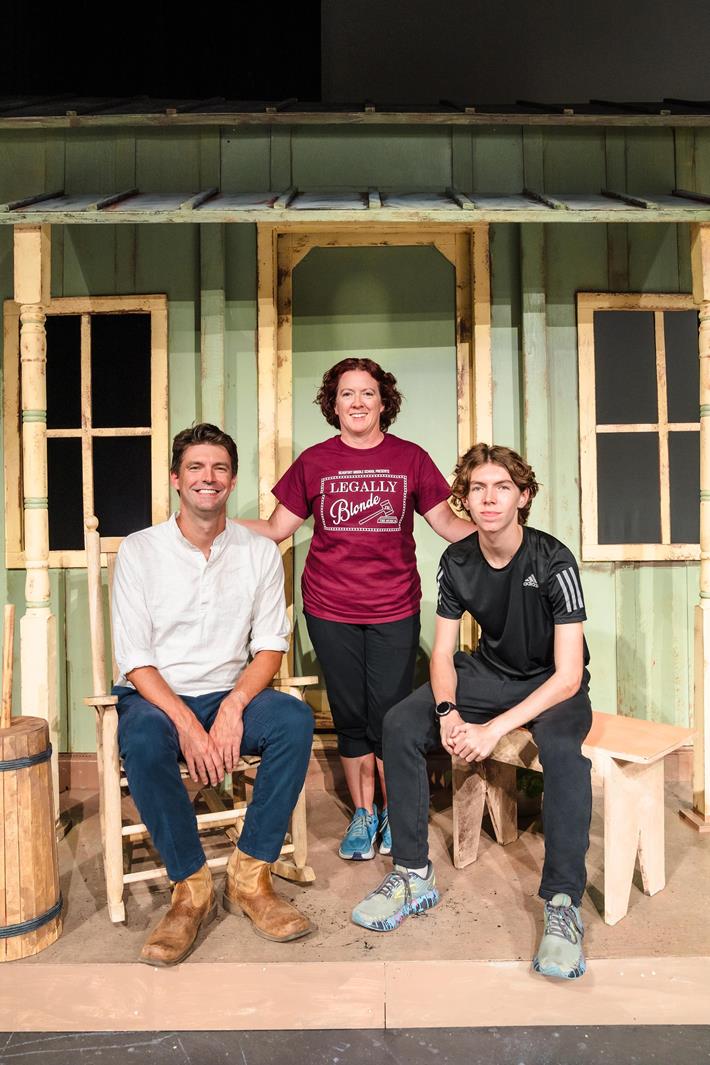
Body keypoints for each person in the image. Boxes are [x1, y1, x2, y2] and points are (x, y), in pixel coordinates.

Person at [351, 443, 593, 981]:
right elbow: (442, 654)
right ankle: (413, 874)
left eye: (502, 487)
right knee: (399, 723)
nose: (488, 498)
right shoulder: (457, 560)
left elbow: (569, 675)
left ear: (522, 497)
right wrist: (447, 711)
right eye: (477, 488)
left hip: (550, 683)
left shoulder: (553, 560)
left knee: (563, 754)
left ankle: (561, 904)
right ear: (464, 498)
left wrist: (493, 730)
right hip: (487, 673)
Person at [239, 358, 472, 862]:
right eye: (347, 394)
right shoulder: (314, 462)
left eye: (368, 393)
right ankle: (363, 816)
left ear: (384, 402)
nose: (358, 402)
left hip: (393, 607)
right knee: (349, 714)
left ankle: (393, 812)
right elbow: (277, 529)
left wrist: (509, 535)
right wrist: (209, 523)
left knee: (389, 715)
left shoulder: (410, 458)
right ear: (334, 404)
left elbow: (449, 525)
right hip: (329, 608)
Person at [111, 423, 315, 966]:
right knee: (142, 738)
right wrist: (186, 723)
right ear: (176, 479)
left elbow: (269, 647)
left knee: (294, 720)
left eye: (220, 468)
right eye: (196, 467)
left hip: (229, 689)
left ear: (232, 480)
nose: (209, 477)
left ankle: (250, 877)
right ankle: (191, 888)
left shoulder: (259, 552)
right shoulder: (140, 550)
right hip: (157, 696)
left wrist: (232, 707)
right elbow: (136, 660)